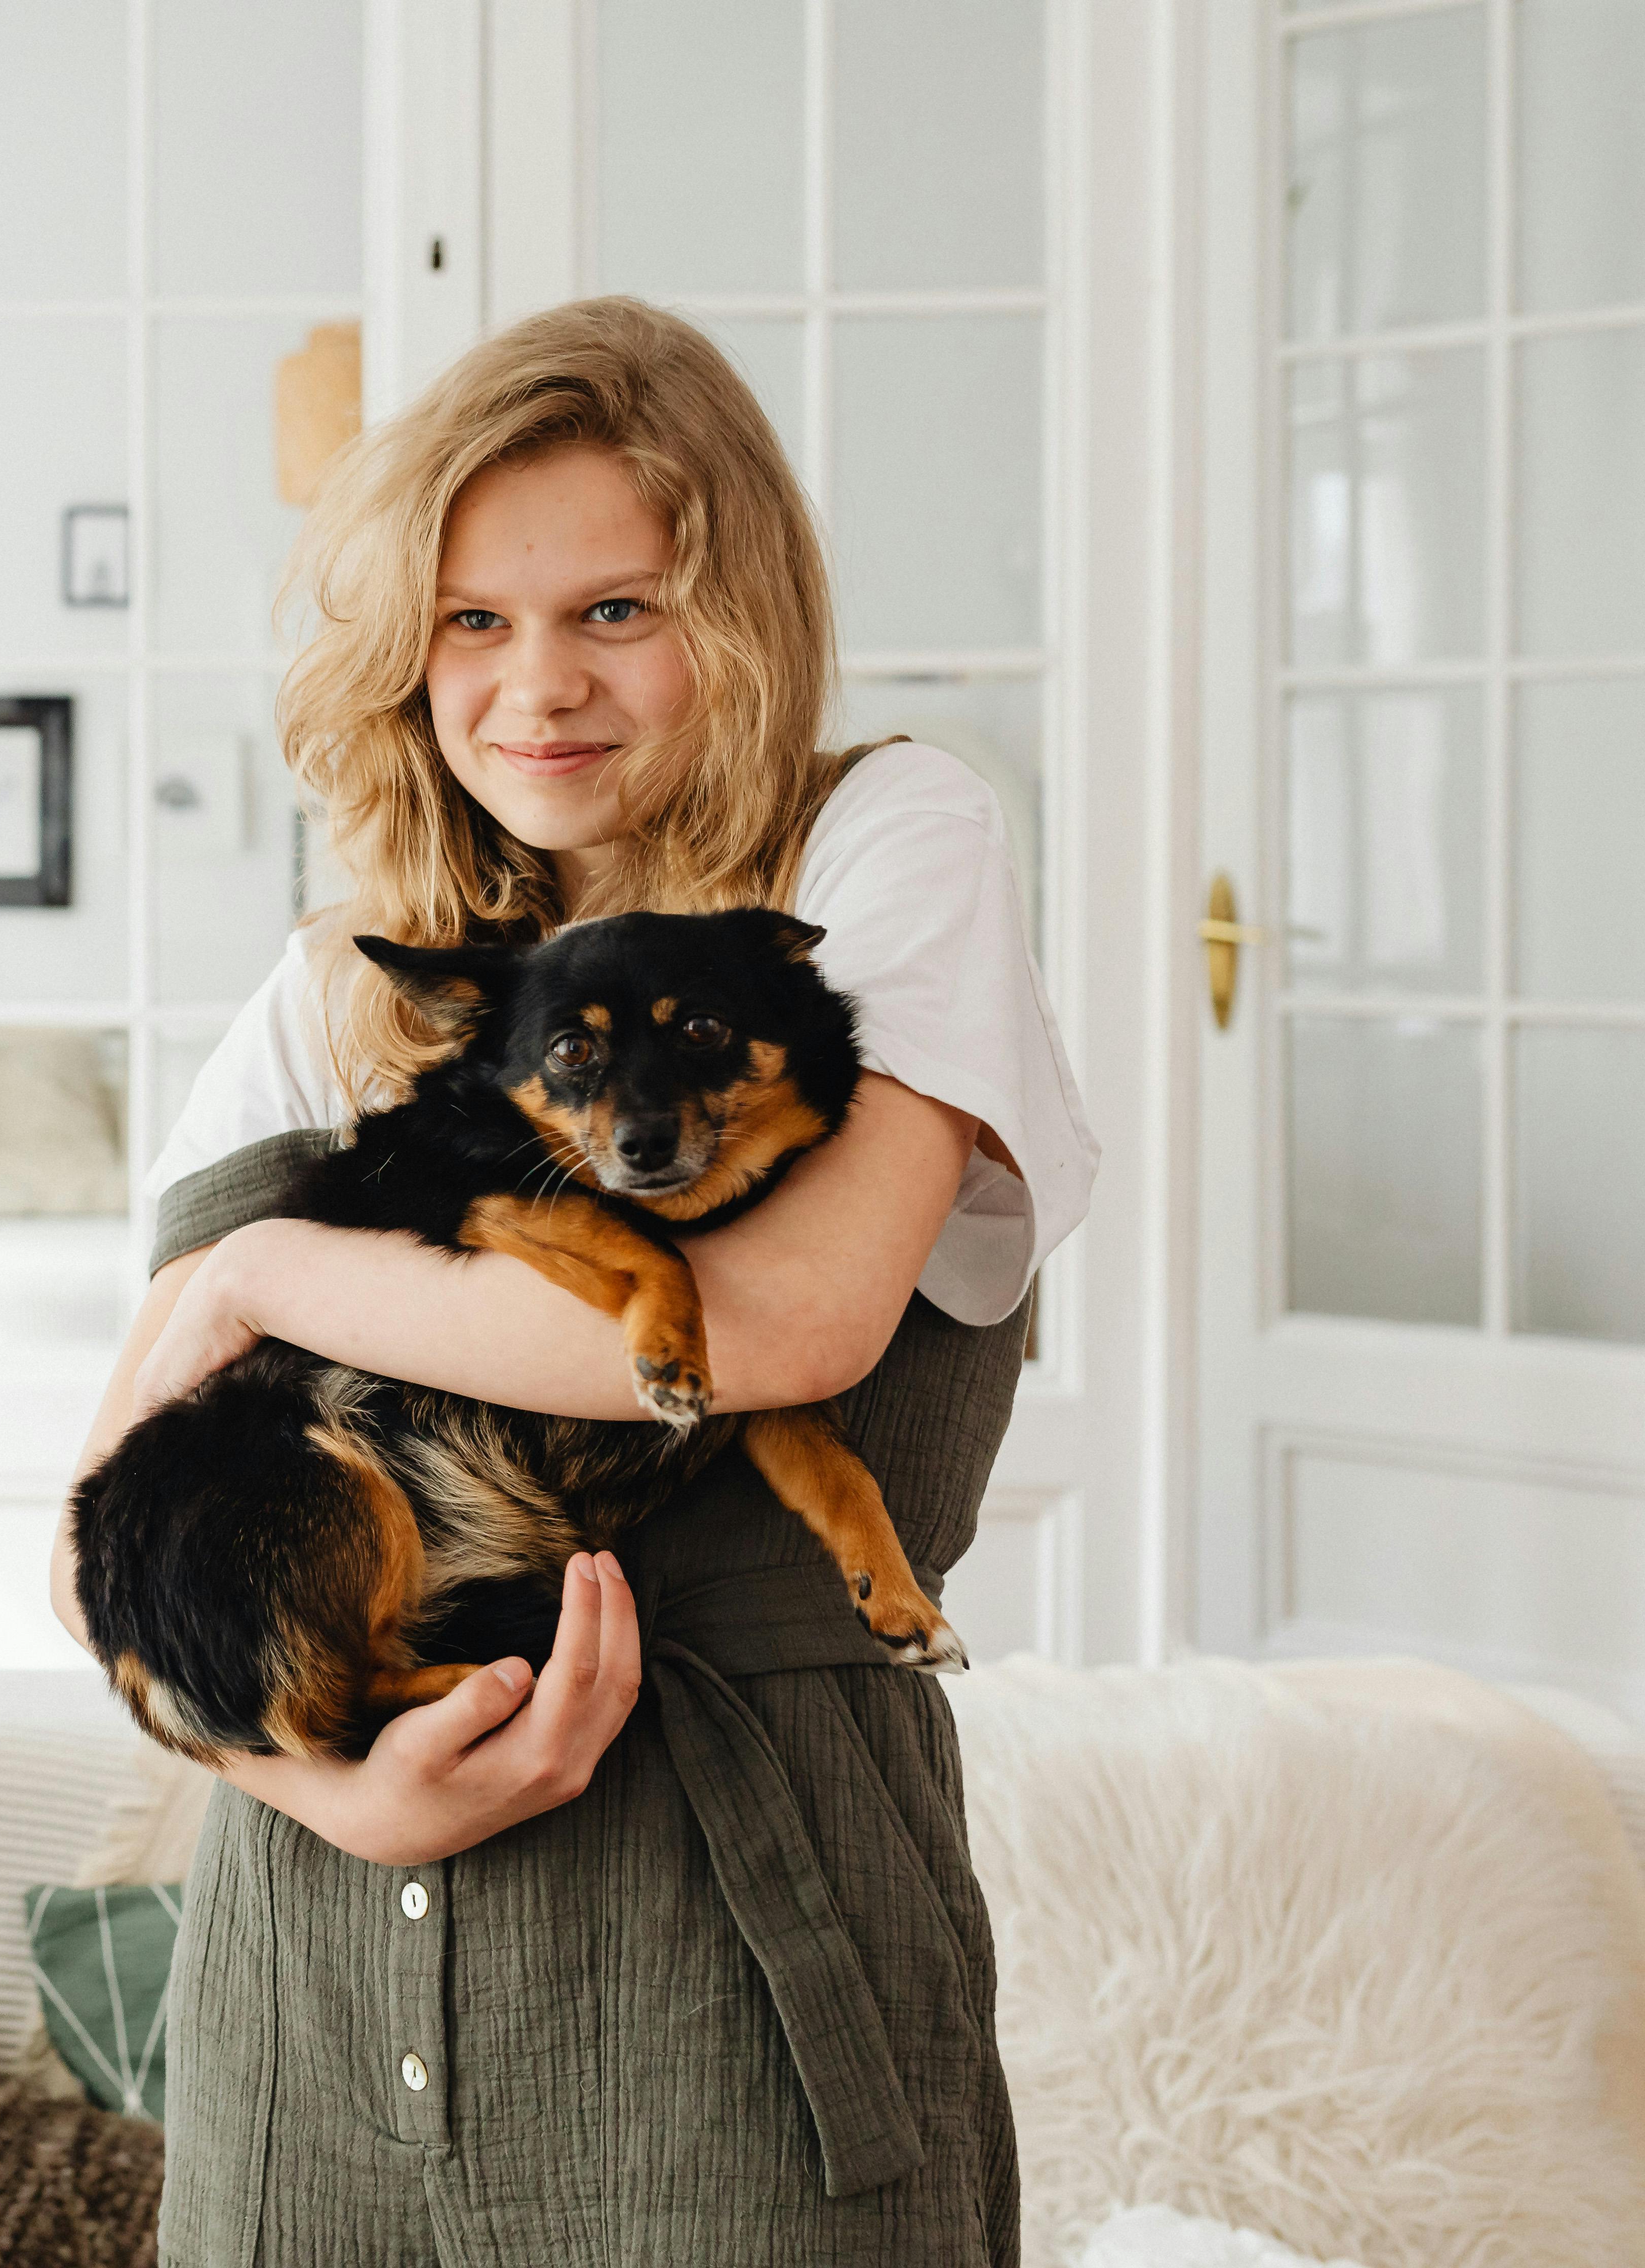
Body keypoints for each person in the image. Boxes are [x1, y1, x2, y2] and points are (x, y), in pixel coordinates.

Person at [55, 297, 1095, 2264]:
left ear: (741, 611)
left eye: (617, 609)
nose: (540, 685)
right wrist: (322, 1790)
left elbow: (782, 1324)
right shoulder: (340, 982)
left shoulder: (889, 849)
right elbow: (99, 1553)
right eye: (474, 620)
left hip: (735, 1998)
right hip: (307, 2021)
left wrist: (257, 1278)